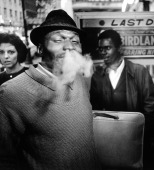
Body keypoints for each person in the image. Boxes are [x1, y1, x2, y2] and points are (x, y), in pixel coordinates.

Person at [0, 9, 101, 170]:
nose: (69, 47)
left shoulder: (81, 79)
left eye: (75, 41)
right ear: (40, 49)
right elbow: (5, 159)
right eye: (58, 40)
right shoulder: (12, 92)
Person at [90, 29, 154, 169]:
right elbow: (94, 108)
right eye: (101, 49)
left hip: (135, 138)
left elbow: (151, 107)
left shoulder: (139, 71)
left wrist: (143, 137)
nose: (103, 52)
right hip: (108, 138)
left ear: (119, 48)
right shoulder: (97, 75)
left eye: (107, 48)